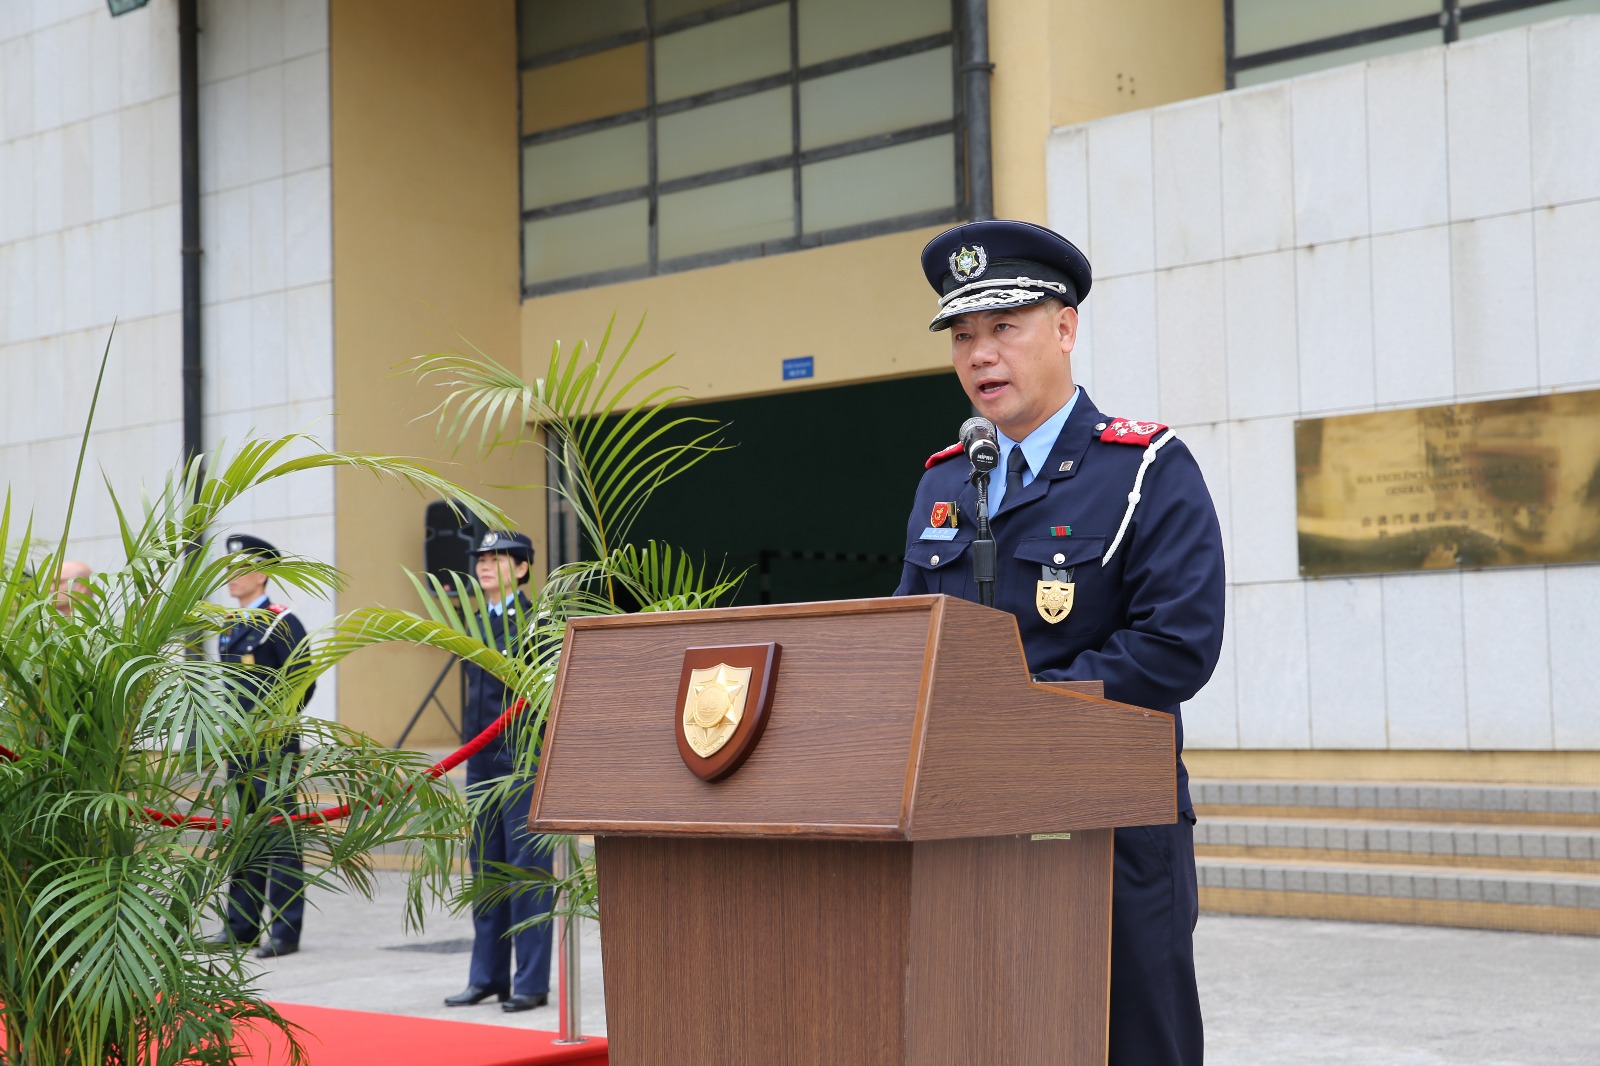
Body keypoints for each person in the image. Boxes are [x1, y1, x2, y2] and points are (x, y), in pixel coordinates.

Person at [893, 220, 1225, 1066]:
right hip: (967, 825)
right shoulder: (945, 482)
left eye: (1005, 327)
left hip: (1109, 824)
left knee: (1132, 1042)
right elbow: (908, 638)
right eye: (963, 336)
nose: (981, 355)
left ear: (1066, 328)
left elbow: (1177, 644)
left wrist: (1023, 711)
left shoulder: (1145, 469)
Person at [444, 529, 554, 1014]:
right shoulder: (472, 623)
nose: (485, 565)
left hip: (522, 760)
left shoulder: (538, 622)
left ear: (523, 568)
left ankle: (530, 981)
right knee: (485, 868)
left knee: (527, 871)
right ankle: (487, 976)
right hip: (481, 759)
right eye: (482, 558)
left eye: (498, 558)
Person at [208, 533, 315, 959]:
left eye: (241, 569)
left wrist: (274, 725)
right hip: (239, 747)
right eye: (229, 569)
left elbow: (303, 683)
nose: (231, 577)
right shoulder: (232, 624)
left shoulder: (281, 622)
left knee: (280, 835)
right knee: (243, 834)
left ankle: (285, 931)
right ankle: (241, 926)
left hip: (273, 747)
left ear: (263, 574)